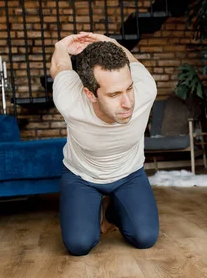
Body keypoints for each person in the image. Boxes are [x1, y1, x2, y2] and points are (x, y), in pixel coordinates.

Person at [50, 32, 159, 256]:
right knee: (79, 245)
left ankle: (113, 212)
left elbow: (134, 63)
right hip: (81, 176)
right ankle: (93, 208)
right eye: (114, 94)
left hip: (129, 174)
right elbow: (60, 67)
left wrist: (111, 42)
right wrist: (61, 46)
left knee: (145, 237)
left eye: (129, 89)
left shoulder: (146, 89)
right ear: (90, 94)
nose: (127, 103)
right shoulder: (70, 100)